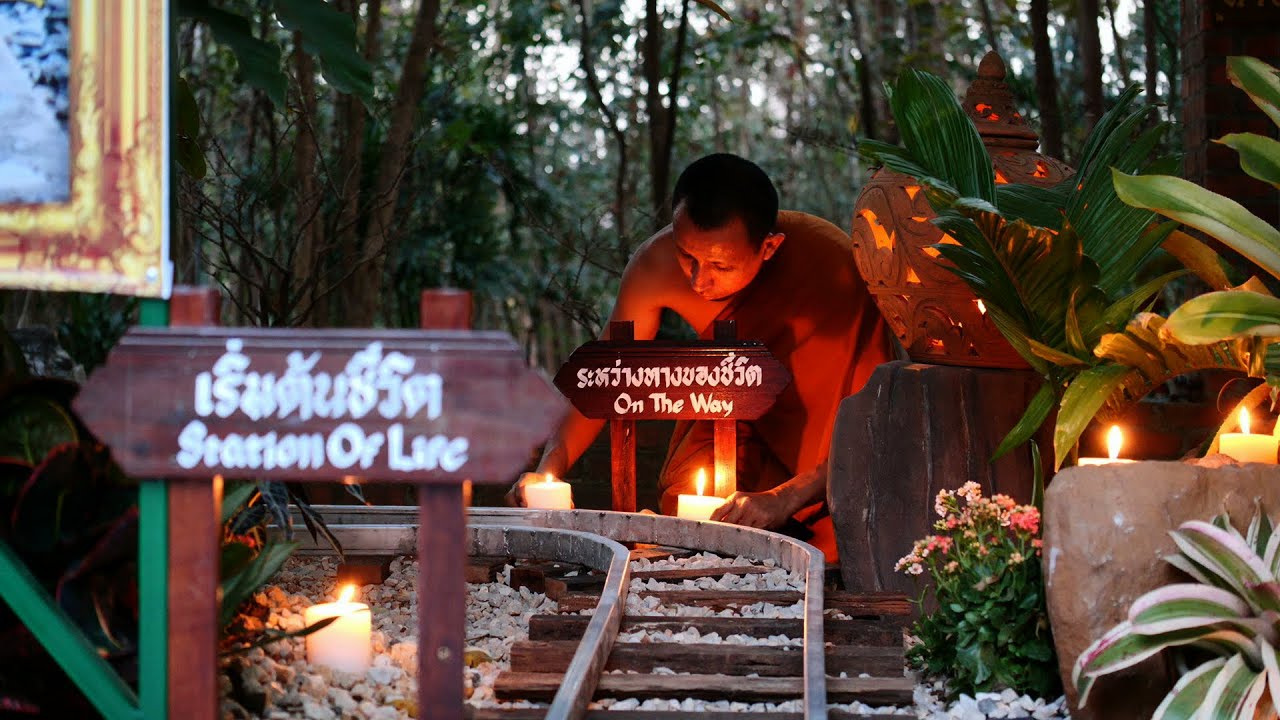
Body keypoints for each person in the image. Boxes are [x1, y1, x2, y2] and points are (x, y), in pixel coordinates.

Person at [508, 153, 892, 560]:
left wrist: (783, 498)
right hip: (737, 413)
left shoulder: (832, 270)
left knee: (832, 540)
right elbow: (605, 379)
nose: (698, 279)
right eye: (686, 255)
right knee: (690, 502)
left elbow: (870, 419)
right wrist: (551, 466)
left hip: (820, 443)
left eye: (720, 265)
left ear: (769, 248)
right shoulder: (656, 266)